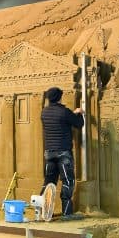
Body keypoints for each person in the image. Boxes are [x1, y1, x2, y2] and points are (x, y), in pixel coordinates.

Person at [40, 87, 84, 220]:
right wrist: (79, 112)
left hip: (49, 153)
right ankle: (66, 213)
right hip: (63, 152)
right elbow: (79, 124)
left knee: (49, 182)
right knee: (67, 181)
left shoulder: (44, 112)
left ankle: (44, 211)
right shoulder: (64, 112)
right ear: (59, 97)